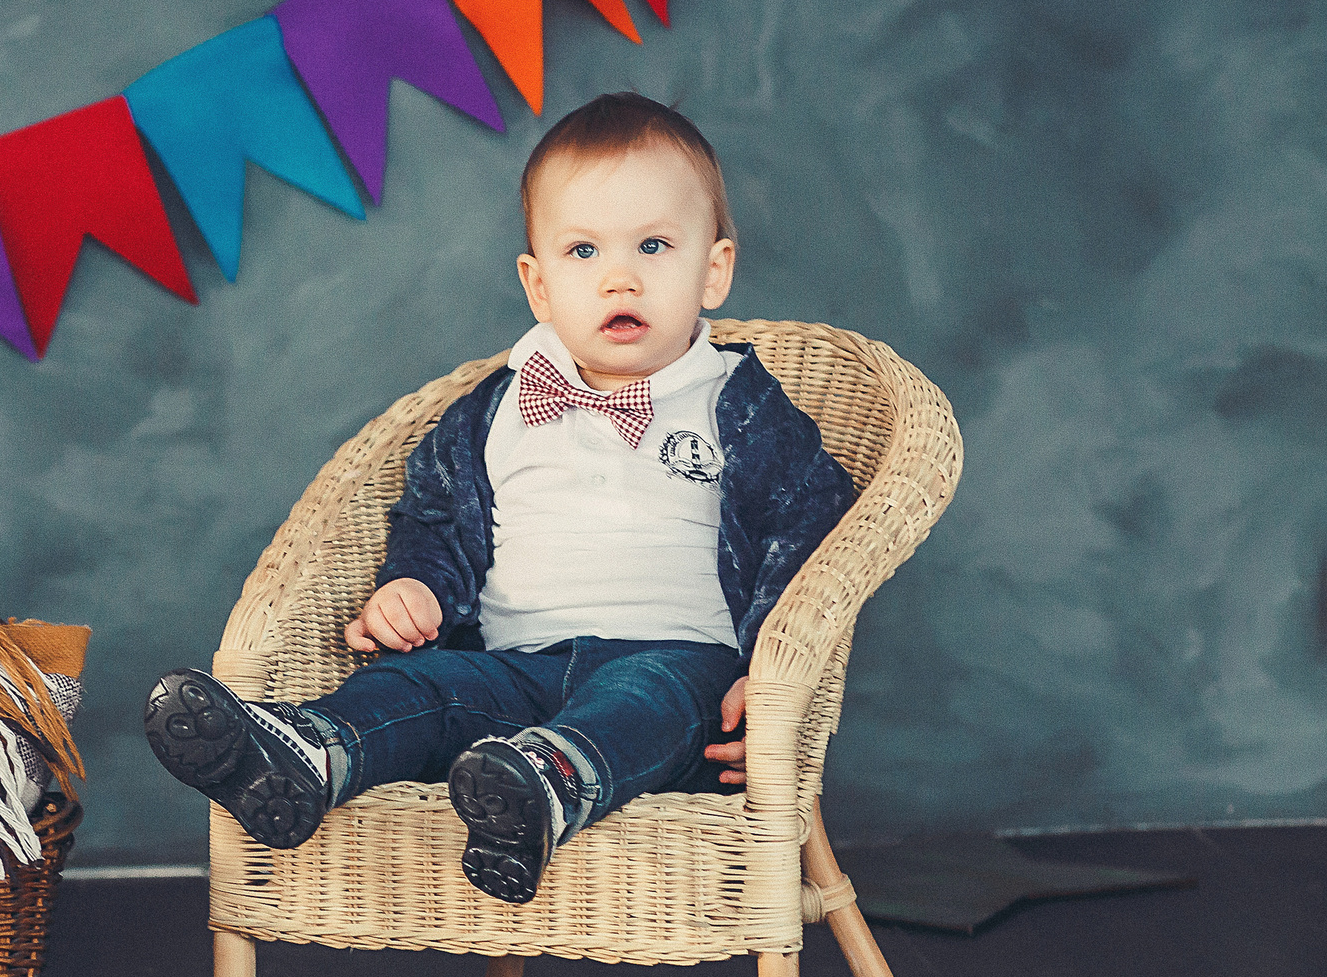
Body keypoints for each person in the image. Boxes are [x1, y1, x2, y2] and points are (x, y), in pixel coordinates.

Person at [144, 93, 855, 905]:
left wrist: (772, 669)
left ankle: (553, 786)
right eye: (582, 251)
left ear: (713, 270)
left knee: (643, 697)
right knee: (425, 686)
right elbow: (436, 519)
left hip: (680, 668)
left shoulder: (737, 400)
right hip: (514, 675)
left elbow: (812, 523)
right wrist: (416, 587)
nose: (619, 275)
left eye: (654, 245)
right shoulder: (499, 407)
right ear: (539, 285)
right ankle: (313, 752)